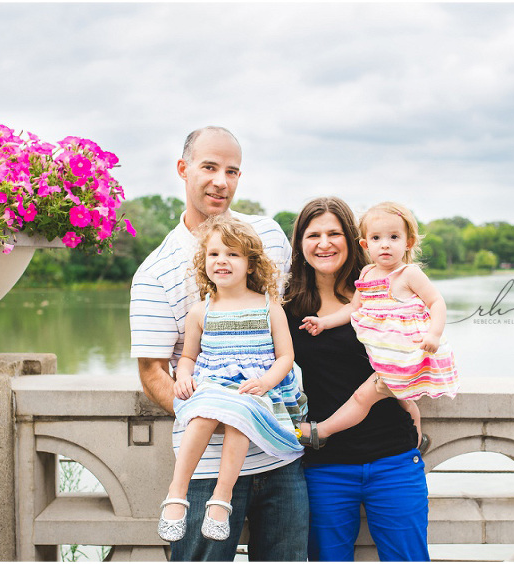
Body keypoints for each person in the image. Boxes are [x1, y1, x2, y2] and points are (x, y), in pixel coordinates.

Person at [130, 126, 307, 561]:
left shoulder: (268, 238)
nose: (221, 181)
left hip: (279, 455)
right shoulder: (155, 272)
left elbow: (290, 323)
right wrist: (217, 411)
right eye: (209, 167)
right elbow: (153, 370)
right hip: (206, 467)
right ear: (183, 169)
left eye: (232, 171)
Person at [284, 196, 430, 561]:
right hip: (324, 466)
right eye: (313, 234)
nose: (324, 242)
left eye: (334, 233)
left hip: (393, 458)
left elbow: (420, 345)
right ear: (300, 244)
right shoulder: (287, 311)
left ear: (352, 240)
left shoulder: (384, 291)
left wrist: (404, 395)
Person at [159, 215, 306, 543]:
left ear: (251, 264)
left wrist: (266, 382)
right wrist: (182, 376)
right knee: (204, 412)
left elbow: (286, 356)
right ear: (204, 262)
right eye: (214, 254)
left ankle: (221, 499)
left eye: (232, 254)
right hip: (213, 385)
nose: (221, 260)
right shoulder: (202, 310)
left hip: (254, 388)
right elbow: (188, 357)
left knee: (241, 412)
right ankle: (176, 492)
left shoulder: (269, 307)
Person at [297, 200, 459, 447]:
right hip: (385, 352)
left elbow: (436, 302)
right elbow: (353, 308)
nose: (385, 244)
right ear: (365, 244)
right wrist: (324, 322)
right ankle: (416, 435)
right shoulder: (367, 274)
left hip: (406, 354)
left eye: (394, 237)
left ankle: (322, 431)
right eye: (376, 238)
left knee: (364, 396)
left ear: (408, 242)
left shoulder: (408, 274)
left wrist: (434, 335)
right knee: (402, 401)